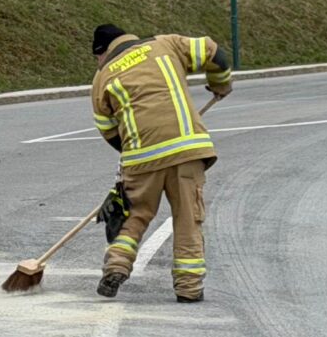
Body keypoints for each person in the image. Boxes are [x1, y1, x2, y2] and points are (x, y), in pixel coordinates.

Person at [88, 23, 230, 303]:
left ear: (102, 52)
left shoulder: (102, 77)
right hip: (186, 152)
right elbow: (216, 54)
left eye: (97, 57)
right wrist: (220, 83)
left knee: (134, 216)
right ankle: (189, 288)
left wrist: (133, 154)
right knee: (188, 218)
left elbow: (108, 129)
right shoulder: (167, 44)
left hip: (141, 158)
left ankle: (116, 265)